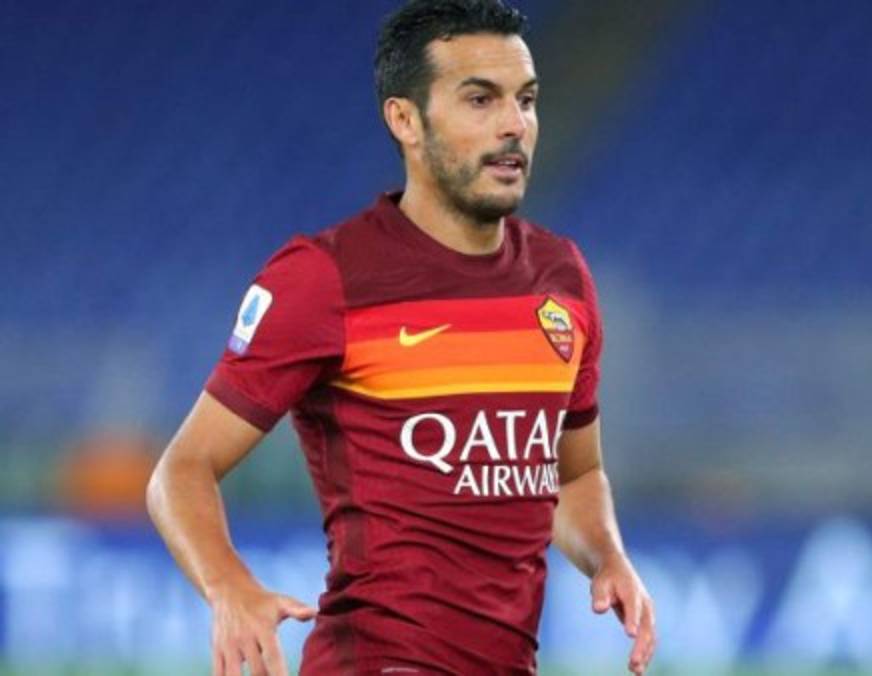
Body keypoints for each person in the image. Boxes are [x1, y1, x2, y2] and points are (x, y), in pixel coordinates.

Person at [145, 1, 657, 674]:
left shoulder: (561, 279)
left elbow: (576, 473)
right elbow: (181, 470)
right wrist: (229, 587)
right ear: (405, 120)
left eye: (526, 100)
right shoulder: (325, 277)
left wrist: (607, 556)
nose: (514, 124)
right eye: (481, 99)